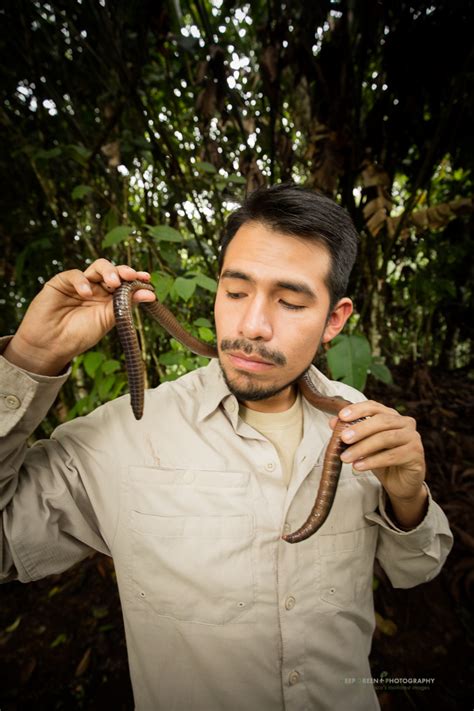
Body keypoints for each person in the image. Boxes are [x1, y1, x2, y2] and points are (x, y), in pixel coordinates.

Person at [0, 184, 452, 711]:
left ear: (335, 319)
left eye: (289, 301)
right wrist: (31, 356)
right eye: (235, 293)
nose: (252, 326)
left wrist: (408, 498)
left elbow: (416, 569)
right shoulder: (123, 435)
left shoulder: (359, 422)